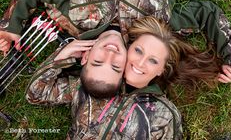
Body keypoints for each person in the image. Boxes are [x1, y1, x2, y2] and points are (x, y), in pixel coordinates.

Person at [0, 0, 231, 84]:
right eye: (118, 65)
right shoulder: (153, 33)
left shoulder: (73, 21)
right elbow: (207, 12)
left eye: (98, 61)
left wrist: (11, 24)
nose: (110, 54)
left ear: (84, 56)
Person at [26, 16, 185, 139]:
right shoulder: (89, 86)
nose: (141, 63)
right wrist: (62, 57)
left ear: (161, 70)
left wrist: (63, 56)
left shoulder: (165, 114)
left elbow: (36, 92)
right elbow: (36, 94)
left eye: (153, 60)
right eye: (138, 51)